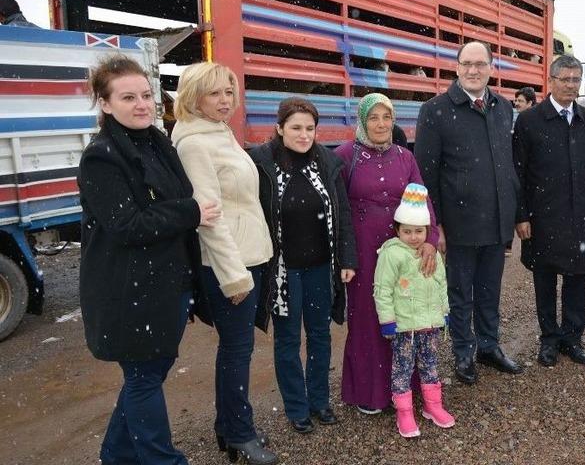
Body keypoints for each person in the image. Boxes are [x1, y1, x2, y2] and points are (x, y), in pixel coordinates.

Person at [78, 55, 219, 465]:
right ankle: (162, 459)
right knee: (143, 378)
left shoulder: (157, 142)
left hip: (166, 284)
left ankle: (116, 455)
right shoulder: (102, 156)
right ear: (105, 104)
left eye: (146, 95)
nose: (141, 104)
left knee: (151, 372)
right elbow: (126, 224)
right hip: (128, 292)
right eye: (128, 97)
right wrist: (190, 212)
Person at [172, 62, 277, 465]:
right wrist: (234, 277)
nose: (224, 100)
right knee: (237, 350)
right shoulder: (195, 143)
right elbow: (209, 218)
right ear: (193, 96)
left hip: (248, 254)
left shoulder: (219, 133)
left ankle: (228, 426)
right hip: (228, 262)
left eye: (228, 92)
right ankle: (240, 434)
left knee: (235, 349)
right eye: (214, 93)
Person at [415, 41, 522, 385]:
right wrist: (436, 226)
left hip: (496, 221)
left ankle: (489, 347)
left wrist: (513, 214)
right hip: (459, 224)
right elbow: (426, 173)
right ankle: (464, 352)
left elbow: (508, 166)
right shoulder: (435, 110)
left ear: (492, 67)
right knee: (460, 294)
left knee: (490, 290)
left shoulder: (503, 108)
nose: (473, 70)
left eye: (480, 64)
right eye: (467, 64)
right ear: (457, 67)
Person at [248, 97, 357, 433]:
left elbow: (343, 215)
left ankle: (320, 401)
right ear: (279, 129)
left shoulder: (326, 163)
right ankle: (296, 407)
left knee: (321, 335)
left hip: (321, 267)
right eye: (296, 127)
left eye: (310, 128)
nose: (304, 134)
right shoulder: (261, 163)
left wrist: (346, 258)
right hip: (283, 270)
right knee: (287, 340)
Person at [334, 93, 439, 414]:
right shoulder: (343, 156)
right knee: (367, 317)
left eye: (386, 118)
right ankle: (371, 393)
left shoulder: (405, 158)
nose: (381, 124)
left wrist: (431, 239)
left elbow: (422, 199)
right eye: (373, 118)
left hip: (403, 251)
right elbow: (337, 211)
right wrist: (345, 256)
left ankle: (405, 389)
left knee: (406, 315)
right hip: (364, 252)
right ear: (362, 121)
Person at [513, 54, 585, 368]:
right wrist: (522, 215)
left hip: (581, 214)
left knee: (578, 278)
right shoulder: (530, 121)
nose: (570, 86)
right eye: (564, 79)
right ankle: (549, 339)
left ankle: (572, 339)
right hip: (544, 216)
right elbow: (519, 172)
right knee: (545, 279)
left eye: (575, 80)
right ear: (550, 81)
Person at [374, 183, 454, 438]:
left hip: (429, 324)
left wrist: (444, 311)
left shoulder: (431, 255)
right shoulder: (391, 255)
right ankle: (404, 412)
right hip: (404, 327)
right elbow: (382, 289)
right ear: (398, 230)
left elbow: (441, 283)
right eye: (407, 231)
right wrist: (387, 321)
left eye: (419, 231)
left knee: (430, 365)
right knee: (402, 368)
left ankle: (433, 406)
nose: (414, 237)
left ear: (426, 231)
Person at [507, 86, 537, 257]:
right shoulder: (515, 119)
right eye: (516, 100)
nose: (516, 103)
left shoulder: (531, 122)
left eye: (520, 101)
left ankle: (508, 244)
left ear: (530, 103)